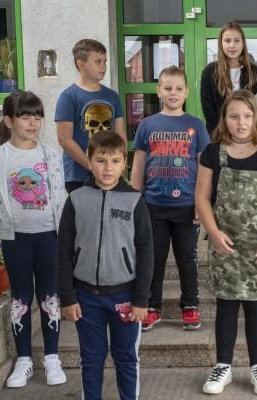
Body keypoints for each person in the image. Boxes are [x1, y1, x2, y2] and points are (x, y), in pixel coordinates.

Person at [196, 90, 257, 396]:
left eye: (247, 116)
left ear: (256, 118)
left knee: (256, 307)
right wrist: (213, 231)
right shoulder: (212, 153)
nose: (241, 122)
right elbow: (202, 197)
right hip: (225, 243)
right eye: (234, 116)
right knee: (226, 305)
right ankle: (223, 366)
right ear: (225, 118)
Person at [0, 91, 68, 389]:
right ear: (9, 121)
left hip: (48, 236)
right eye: (25, 116)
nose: (33, 122)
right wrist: (4, 226)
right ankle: (24, 359)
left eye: (37, 116)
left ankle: (52, 357)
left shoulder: (51, 156)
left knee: (49, 296)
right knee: (20, 297)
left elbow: (60, 194)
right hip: (15, 239)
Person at [57, 131, 153, 400]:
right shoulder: (76, 199)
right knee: (91, 358)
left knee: (126, 357)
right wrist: (67, 297)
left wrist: (141, 299)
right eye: (100, 160)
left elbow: (146, 252)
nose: (108, 168)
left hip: (125, 297)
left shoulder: (135, 201)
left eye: (115, 161)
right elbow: (63, 251)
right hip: (85, 298)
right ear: (89, 161)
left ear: (125, 164)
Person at [130, 66, 210, 331]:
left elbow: (205, 168)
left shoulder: (196, 126)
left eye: (178, 88)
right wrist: (134, 200)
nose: (173, 93)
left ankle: (190, 305)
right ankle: (152, 306)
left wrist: (201, 202)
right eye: (168, 88)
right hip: (153, 206)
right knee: (153, 259)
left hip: (187, 206)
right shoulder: (147, 125)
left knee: (187, 258)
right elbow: (138, 166)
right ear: (158, 91)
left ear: (187, 92)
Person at [55, 39, 126, 193]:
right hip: (78, 176)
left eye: (105, 61)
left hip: (109, 174)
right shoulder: (68, 97)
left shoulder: (113, 96)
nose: (103, 66)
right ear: (81, 64)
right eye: (98, 62)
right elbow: (64, 139)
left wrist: (119, 165)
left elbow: (120, 134)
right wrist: (91, 165)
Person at [200, 21, 257, 134]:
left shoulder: (255, 73)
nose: (232, 45)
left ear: (243, 43)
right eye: (227, 40)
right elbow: (208, 109)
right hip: (219, 134)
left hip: (248, 134)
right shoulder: (209, 72)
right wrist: (222, 133)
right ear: (221, 43)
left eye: (237, 40)